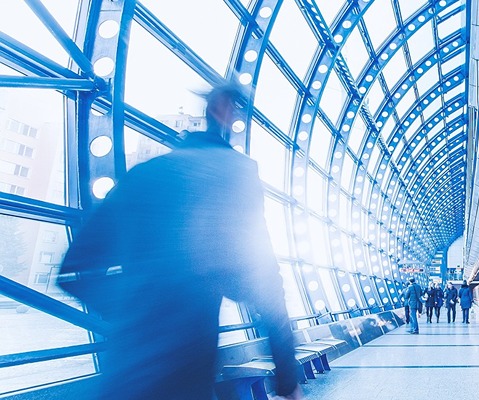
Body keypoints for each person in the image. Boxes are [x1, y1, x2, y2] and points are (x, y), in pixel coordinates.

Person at [57, 84, 302, 400]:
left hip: (123, 373)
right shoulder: (236, 172)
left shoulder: (146, 173)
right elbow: (265, 282)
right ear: (222, 110)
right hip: (186, 371)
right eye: (237, 108)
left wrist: (135, 315)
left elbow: (74, 270)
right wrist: (287, 381)